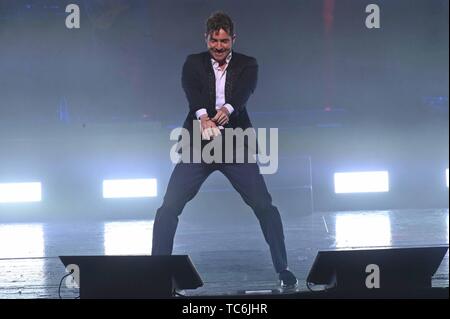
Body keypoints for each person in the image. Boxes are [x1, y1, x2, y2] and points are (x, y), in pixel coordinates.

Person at [152, 11, 298, 290]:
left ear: (233, 39)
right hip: (199, 143)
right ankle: (157, 270)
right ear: (206, 38)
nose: (219, 47)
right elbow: (191, 90)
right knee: (169, 206)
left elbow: (245, 91)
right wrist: (203, 115)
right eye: (214, 41)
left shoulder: (247, 64)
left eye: (224, 41)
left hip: (234, 142)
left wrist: (227, 110)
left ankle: (284, 268)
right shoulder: (193, 63)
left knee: (264, 205)